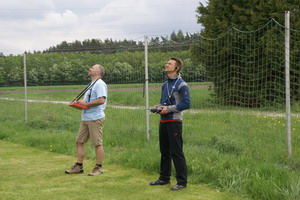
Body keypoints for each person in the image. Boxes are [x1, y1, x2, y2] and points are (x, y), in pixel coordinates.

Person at [150, 57, 190, 191]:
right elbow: (165, 101)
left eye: (169, 64)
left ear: (176, 68)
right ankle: (164, 178)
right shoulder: (164, 84)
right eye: (166, 63)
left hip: (174, 122)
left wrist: (168, 109)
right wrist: (160, 106)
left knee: (176, 152)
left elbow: (186, 104)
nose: (166, 65)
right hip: (163, 121)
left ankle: (182, 182)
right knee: (164, 151)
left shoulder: (182, 84)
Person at [65, 64, 108, 176]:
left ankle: (98, 168)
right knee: (79, 141)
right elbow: (88, 102)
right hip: (86, 118)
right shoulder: (91, 84)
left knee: (97, 143)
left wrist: (86, 104)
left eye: (93, 68)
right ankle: (78, 167)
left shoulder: (100, 84)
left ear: (98, 72)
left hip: (95, 118)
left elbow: (101, 100)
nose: (90, 69)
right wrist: (78, 104)